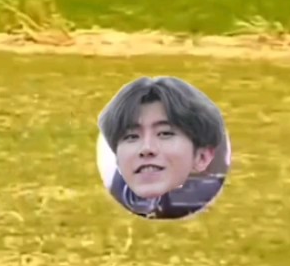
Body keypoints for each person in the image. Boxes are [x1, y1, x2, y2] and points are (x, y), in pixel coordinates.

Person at [97, 75, 229, 220]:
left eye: (165, 134)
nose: (147, 148)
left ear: (202, 157)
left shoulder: (204, 198)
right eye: (131, 136)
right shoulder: (118, 190)